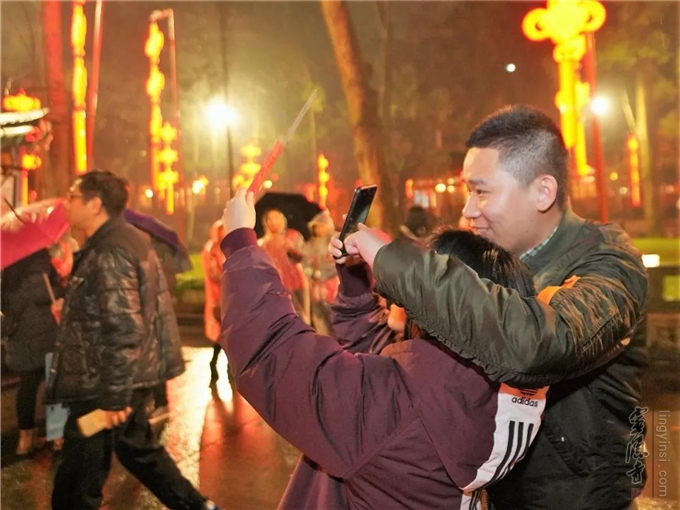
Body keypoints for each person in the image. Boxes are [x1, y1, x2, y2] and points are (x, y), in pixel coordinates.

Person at [341, 105, 649, 510]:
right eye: (468, 192)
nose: (468, 210)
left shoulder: (609, 266)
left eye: (482, 192)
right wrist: (363, 279)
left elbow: (536, 343)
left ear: (543, 192)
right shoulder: (495, 259)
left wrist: (394, 261)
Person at [218, 188, 548, 509]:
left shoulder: (392, 409)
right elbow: (382, 361)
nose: (402, 285)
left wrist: (240, 244)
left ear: (446, 309)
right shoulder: (491, 387)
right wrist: (355, 280)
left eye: (423, 279)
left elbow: (274, 353)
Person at [46, 170, 219, 510]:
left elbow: (124, 328)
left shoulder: (111, 250)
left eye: (72, 196)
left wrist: (114, 398)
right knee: (139, 452)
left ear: (95, 205)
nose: (66, 203)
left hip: (101, 384)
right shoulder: (115, 241)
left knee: (78, 477)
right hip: (115, 379)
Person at [1, 249, 64, 454]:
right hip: (48, 336)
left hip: (21, 342)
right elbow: (53, 294)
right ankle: (58, 436)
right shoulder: (43, 267)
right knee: (55, 385)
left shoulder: (7, 274)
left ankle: (25, 438)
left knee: (27, 388)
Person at [258, 208, 310, 323]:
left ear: (283, 220)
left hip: (297, 282)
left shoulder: (293, 236)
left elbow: (305, 258)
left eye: (276, 218)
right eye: (269, 219)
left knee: (302, 319)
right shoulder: (262, 243)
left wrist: (291, 249)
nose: (273, 221)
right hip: (276, 287)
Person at [302, 210, 339, 335]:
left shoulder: (335, 241)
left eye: (321, 226)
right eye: (316, 227)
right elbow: (305, 262)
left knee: (335, 316)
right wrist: (311, 272)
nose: (318, 230)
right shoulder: (310, 244)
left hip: (333, 285)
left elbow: (338, 264)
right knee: (319, 318)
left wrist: (324, 273)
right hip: (316, 287)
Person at [201, 219, 226, 382]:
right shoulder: (211, 250)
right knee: (221, 332)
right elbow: (213, 274)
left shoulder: (230, 248)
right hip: (218, 297)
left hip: (231, 297)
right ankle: (216, 363)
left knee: (227, 333)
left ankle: (223, 365)